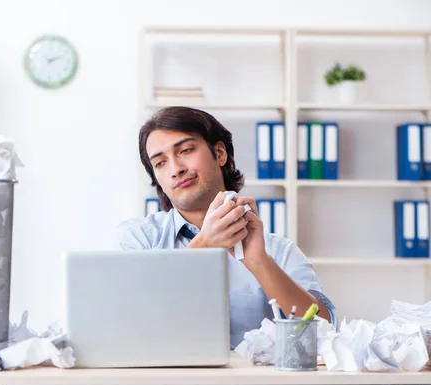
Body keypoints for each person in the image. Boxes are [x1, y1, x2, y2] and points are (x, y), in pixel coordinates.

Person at [113, 106, 336, 348]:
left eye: (186, 150)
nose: (175, 169)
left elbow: (322, 332)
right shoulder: (138, 240)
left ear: (219, 153)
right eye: (160, 163)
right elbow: (124, 320)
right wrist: (205, 245)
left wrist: (259, 262)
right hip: (163, 384)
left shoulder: (277, 250)